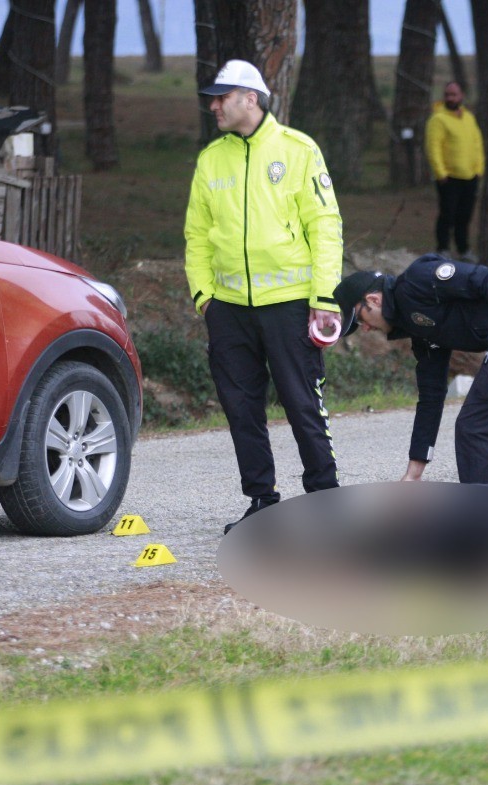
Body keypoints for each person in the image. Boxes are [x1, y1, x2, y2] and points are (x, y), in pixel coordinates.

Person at [184, 59, 345, 533]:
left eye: (222, 97)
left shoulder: (298, 149)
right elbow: (196, 234)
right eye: (212, 98)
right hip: (229, 311)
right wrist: (204, 298)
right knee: (241, 409)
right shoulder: (212, 158)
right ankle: (262, 504)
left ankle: (326, 503)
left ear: (249, 98)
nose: (213, 106)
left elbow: (326, 225)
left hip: (292, 304)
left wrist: (324, 297)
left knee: (302, 403)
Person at [332, 255, 488, 499]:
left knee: (476, 429)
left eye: (360, 319)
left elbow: (486, 279)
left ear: (372, 300)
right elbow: (431, 396)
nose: (364, 328)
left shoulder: (417, 281)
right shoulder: (419, 330)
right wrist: (414, 473)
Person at [424, 82, 484, 261]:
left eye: (454, 95)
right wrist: (440, 172)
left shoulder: (468, 117)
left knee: (465, 215)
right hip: (449, 178)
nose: (450, 98)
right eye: (447, 94)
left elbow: (477, 143)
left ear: (461, 96)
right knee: (447, 214)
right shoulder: (438, 119)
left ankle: (463, 249)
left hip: (470, 176)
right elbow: (433, 147)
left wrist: (479, 169)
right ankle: (443, 248)